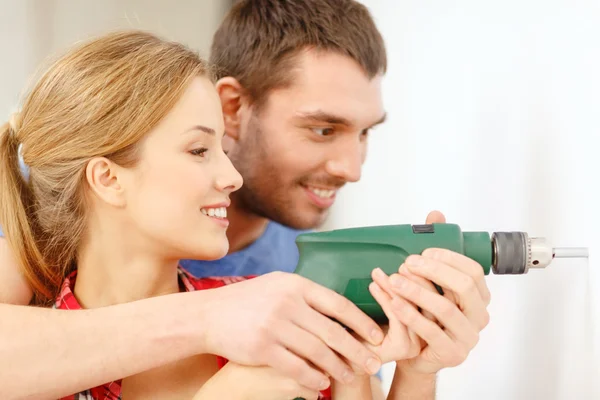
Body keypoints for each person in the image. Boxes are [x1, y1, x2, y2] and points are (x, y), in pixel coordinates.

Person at [0, 0, 491, 398]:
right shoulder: (33, 285)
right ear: (106, 179)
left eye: (364, 134)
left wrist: (417, 375)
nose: (353, 169)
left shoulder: (299, 297)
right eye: (322, 128)